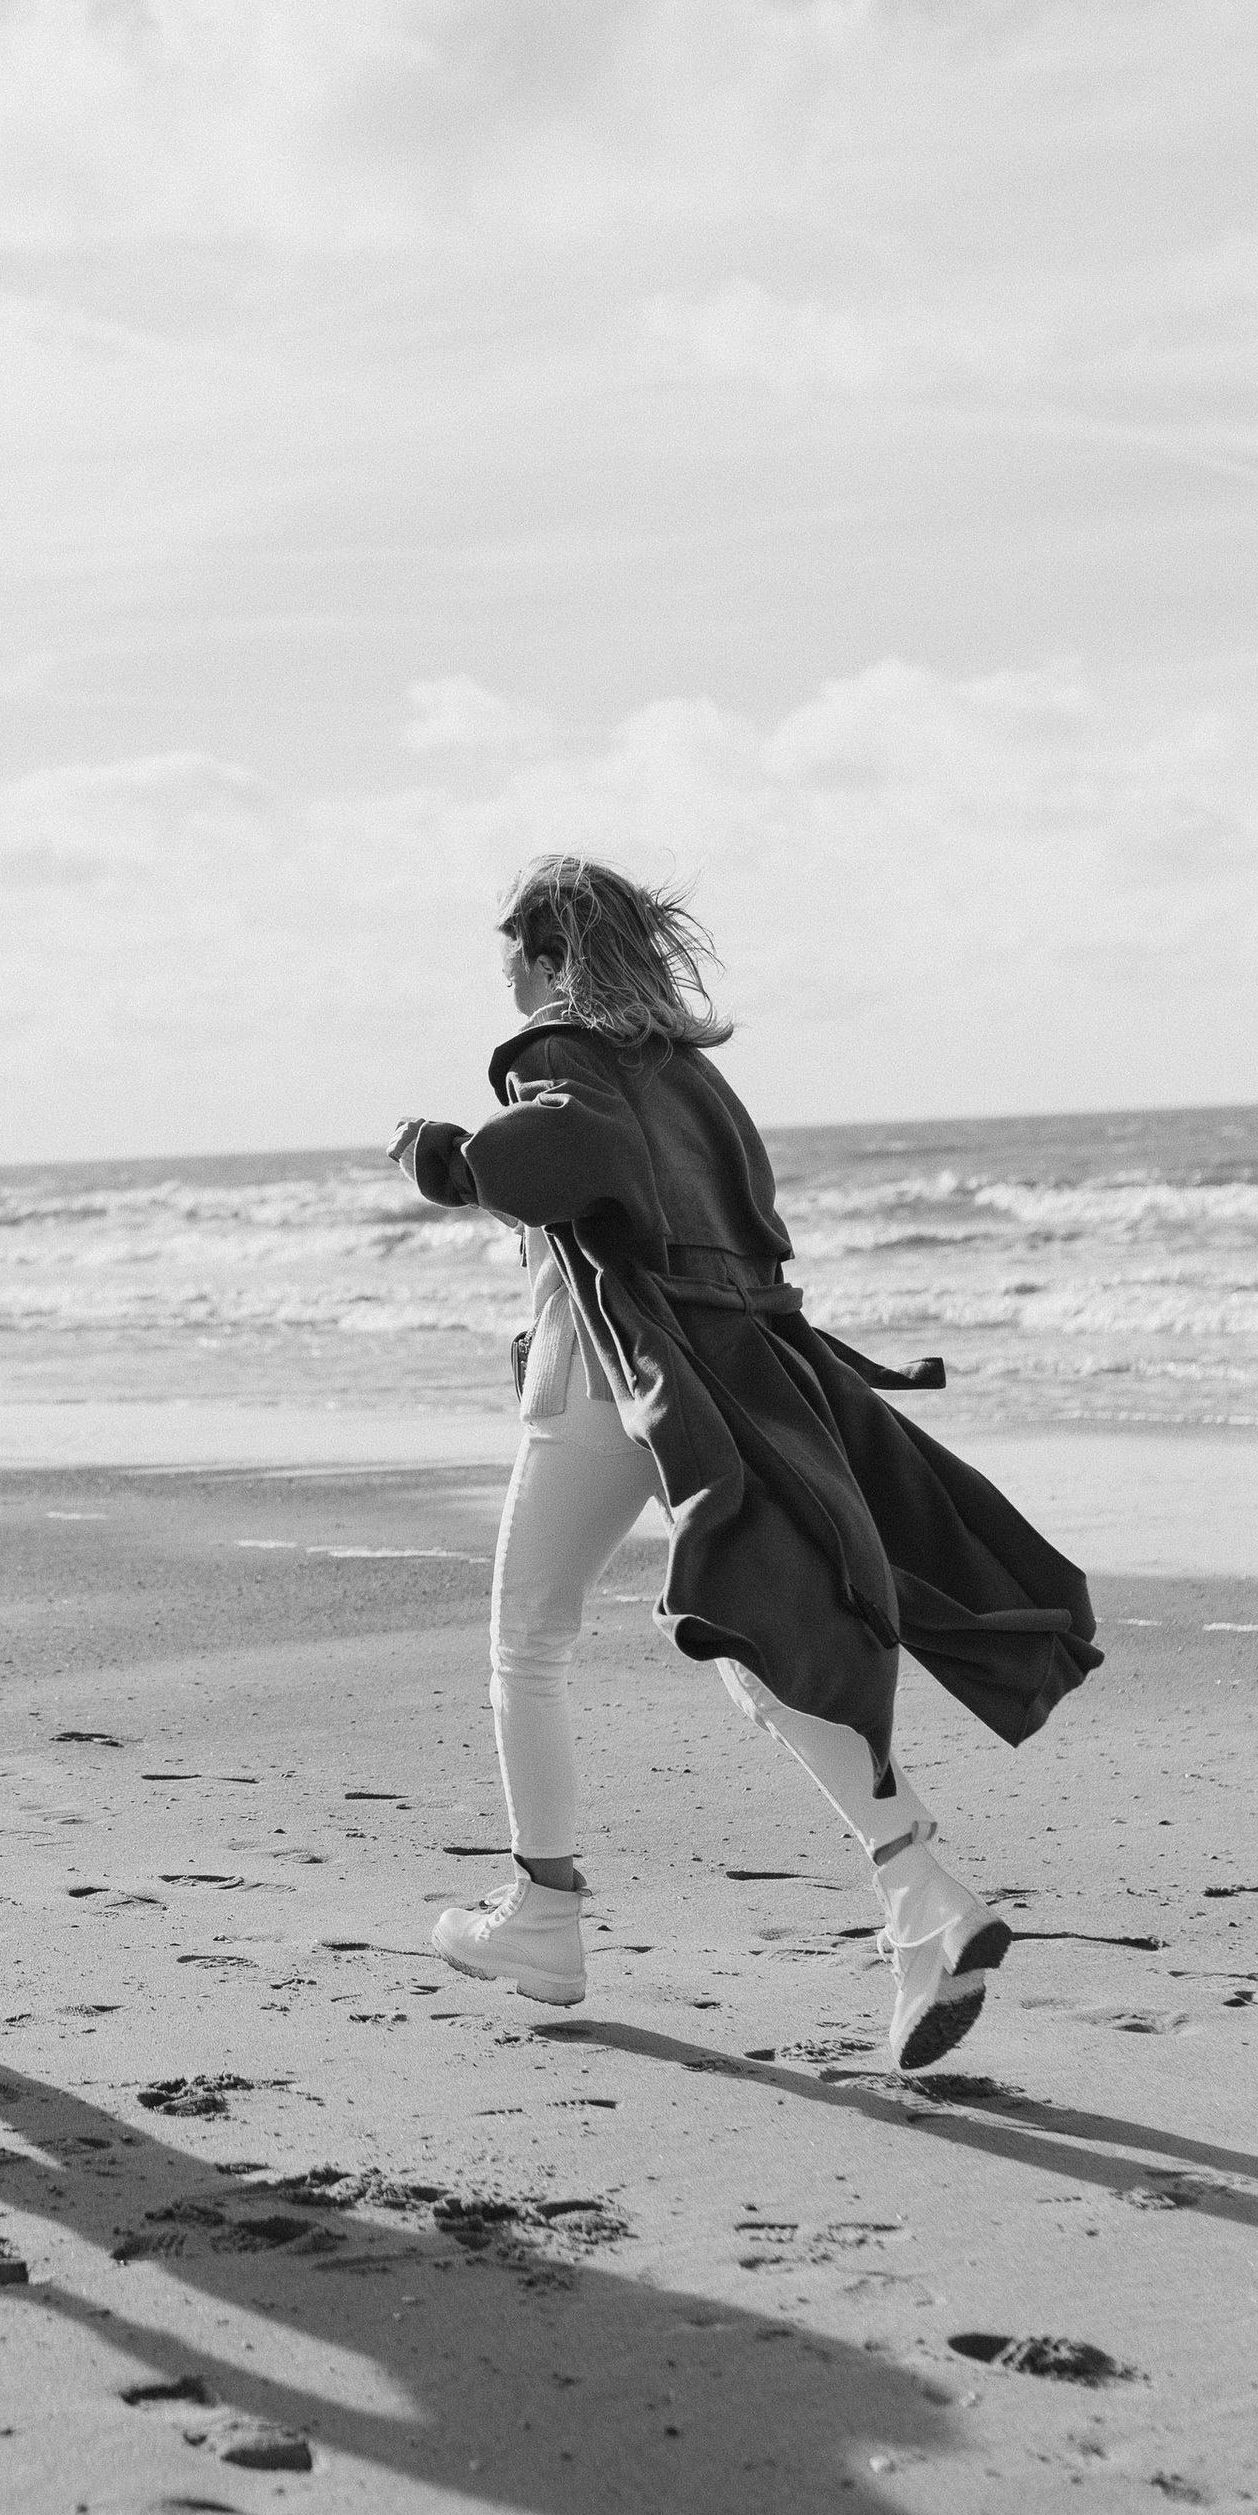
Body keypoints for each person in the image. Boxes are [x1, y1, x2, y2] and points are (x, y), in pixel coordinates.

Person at [392, 859, 1099, 2072]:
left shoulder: (557, 1049)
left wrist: (438, 1155)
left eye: (513, 956)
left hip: (610, 1378)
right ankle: (920, 1895)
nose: (506, 979)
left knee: (528, 1640)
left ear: (550, 957)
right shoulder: (689, 1075)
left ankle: (542, 1915)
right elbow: (682, 1214)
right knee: (750, 1632)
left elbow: (555, 1158)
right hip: (717, 1382)